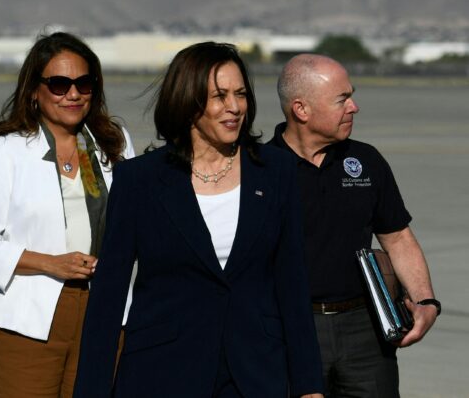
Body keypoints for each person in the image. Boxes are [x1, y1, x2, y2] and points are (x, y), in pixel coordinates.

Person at [73, 42, 324, 398]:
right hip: (161, 373)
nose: (234, 107)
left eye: (240, 94)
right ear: (188, 101)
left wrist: (309, 384)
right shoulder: (138, 180)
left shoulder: (276, 171)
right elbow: (108, 300)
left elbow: (292, 283)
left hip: (254, 374)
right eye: (219, 96)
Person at [0, 32, 135, 398]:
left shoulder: (113, 143)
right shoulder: (5, 151)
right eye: (59, 84)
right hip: (28, 323)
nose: (73, 94)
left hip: (105, 314)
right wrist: (51, 264)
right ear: (34, 91)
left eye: (84, 83)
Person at [269, 53, 439, 397]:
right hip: (290, 329)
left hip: (366, 331)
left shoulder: (366, 161)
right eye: (342, 99)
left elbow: (398, 238)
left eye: (352, 95)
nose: (354, 107)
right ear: (301, 110)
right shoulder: (259, 168)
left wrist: (425, 301)